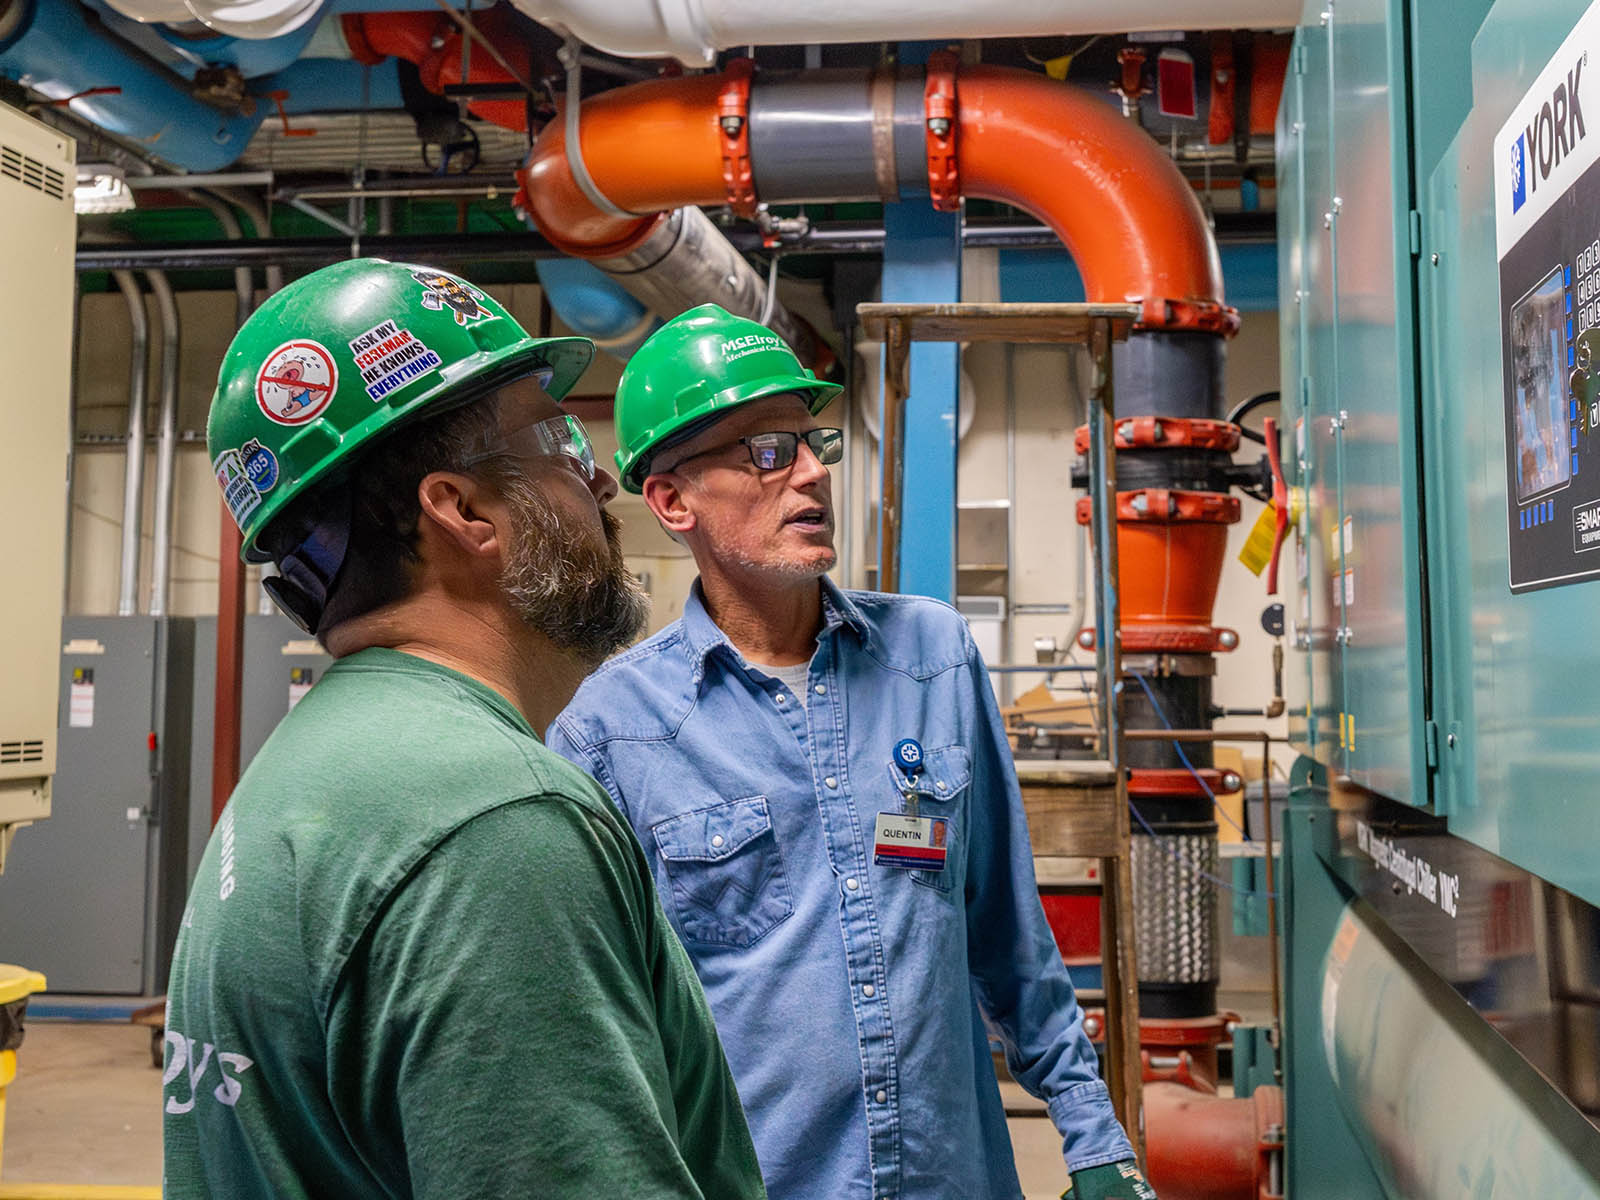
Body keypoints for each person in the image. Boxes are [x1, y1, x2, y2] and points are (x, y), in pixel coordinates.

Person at [165, 261, 765, 1200]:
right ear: (465, 510)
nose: (599, 474)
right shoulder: (492, 821)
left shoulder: (316, 771)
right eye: (560, 439)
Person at [547, 304, 1155, 1200]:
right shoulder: (611, 732)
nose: (807, 474)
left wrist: (1094, 1138)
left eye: (808, 443)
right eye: (763, 451)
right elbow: (598, 1031)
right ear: (673, 502)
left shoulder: (931, 658)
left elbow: (1008, 936)